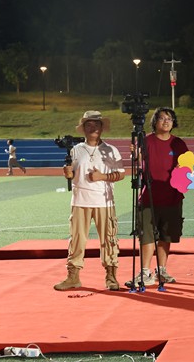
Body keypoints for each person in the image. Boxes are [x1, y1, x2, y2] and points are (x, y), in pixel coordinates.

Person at [54, 110, 125, 291]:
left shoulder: (111, 150)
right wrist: (67, 173)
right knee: (76, 240)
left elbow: (121, 174)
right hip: (80, 201)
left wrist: (102, 176)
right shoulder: (76, 150)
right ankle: (73, 277)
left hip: (105, 202)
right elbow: (72, 173)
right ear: (83, 128)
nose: (93, 128)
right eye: (89, 124)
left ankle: (111, 276)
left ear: (102, 127)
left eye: (96, 124)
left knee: (109, 239)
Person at [126, 108, 189, 287]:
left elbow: (188, 168)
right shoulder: (146, 141)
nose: (166, 121)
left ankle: (161, 270)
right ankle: (145, 272)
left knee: (165, 236)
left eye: (169, 118)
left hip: (172, 197)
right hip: (149, 197)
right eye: (162, 118)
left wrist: (185, 170)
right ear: (155, 121)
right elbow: (137, 160)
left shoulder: (178, 143)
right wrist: (135, 154)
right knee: (146, 235)